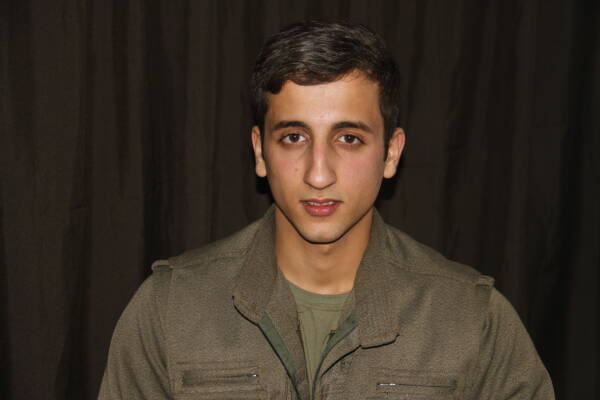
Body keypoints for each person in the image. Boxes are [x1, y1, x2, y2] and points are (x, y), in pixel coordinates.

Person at [99, 20, 554, 400]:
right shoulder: (169, 310)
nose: (319, 174)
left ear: (391, 153)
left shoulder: (472, 321)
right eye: (294, 137)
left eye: (349, 138)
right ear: (259, 151)